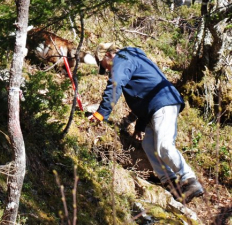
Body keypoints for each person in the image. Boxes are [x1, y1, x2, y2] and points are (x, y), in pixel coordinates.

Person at [88, 44, 205, 203]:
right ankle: (172, 185)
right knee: (149, 145)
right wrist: (140, 127)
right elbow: (145, 94)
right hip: (154, 108)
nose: (108, 71)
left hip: (164, 103)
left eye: (106, 67)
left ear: (108, 55)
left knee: (164, 146)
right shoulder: (132, 59)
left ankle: (190, 180)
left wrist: (101, 114)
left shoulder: (122, 58)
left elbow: (116, 85)